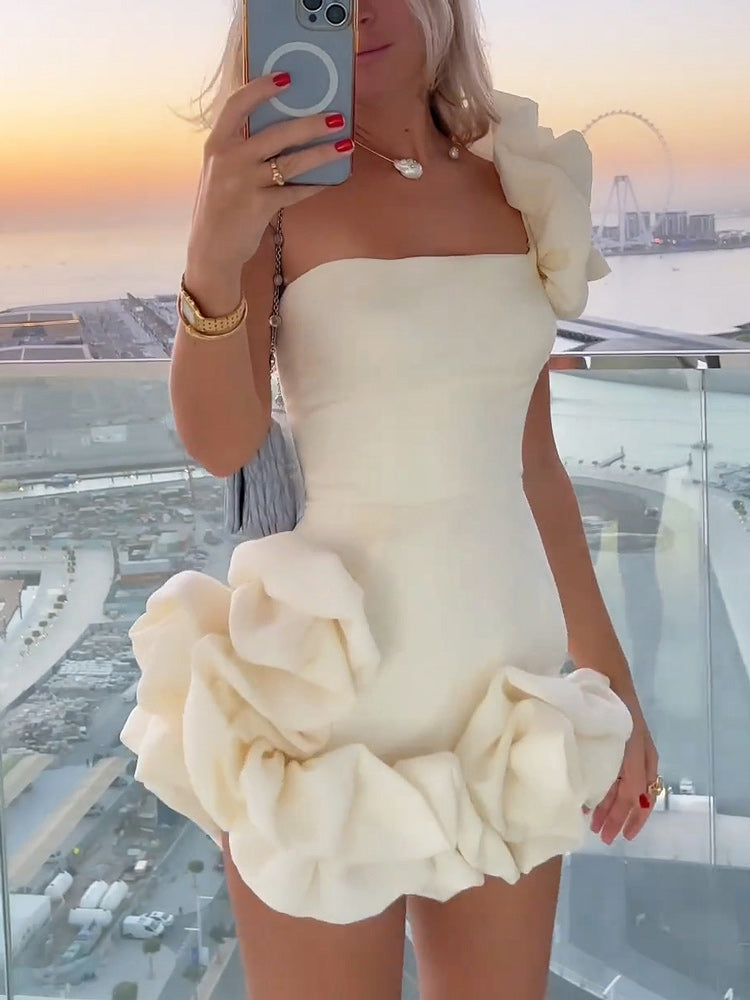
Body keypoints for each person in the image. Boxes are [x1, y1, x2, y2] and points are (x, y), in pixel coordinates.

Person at [121, 0, 661, 997]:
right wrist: (210, 257)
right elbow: (222, 441)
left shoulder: (515, 184)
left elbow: (535, 466)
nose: (361, 8)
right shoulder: (274, 191)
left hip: (504, 698)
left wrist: (612, 681)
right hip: (326, 707)